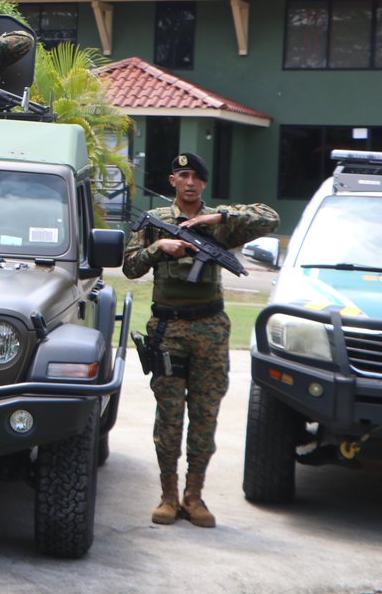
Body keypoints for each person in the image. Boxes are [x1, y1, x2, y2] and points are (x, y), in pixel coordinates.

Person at [122, 152, 278, 528]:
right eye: (183, 175)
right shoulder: (156, 220)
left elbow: (270, 217)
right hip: (168, 330)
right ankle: (168, 495)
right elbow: (129, 267)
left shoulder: (221, 224)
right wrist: (159, 248)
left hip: (210, 328)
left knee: (205, 416)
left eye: (196, 177)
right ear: (172, 181)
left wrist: (217, 218)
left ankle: (194, 496)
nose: (190, 182)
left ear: (204, 183)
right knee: (169, 418)